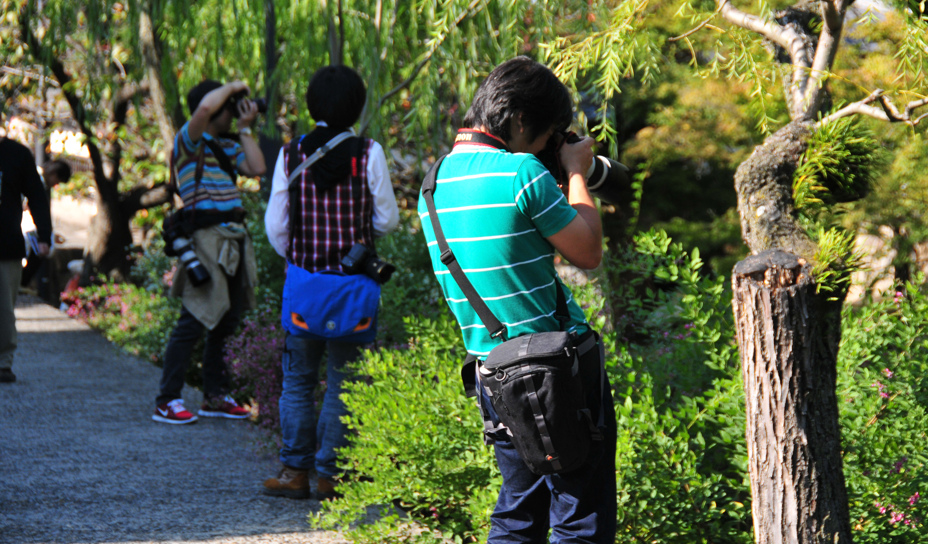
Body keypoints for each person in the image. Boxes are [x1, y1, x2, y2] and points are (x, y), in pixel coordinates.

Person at [416, 57, 616, 543]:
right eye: (551, 134)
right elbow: (588, 252)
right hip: (559, 372)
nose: (551, 145)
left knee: (518, 512)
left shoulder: (432, 185)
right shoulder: (523, 172)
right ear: (523, 121)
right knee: (579, 517)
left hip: (493, 372)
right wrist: (575, 174)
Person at [262, 64, 399, 499]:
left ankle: (294, 473)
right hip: (353, 291)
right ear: (356, 105)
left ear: (312, 104)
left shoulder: (290, 154)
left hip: (305, 288)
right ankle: (331, 477)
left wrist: (301, 259)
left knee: (298, 382)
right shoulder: (368, 152)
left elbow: (276, 228)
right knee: (344, 383)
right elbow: (388, 220)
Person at [151, 80, 267, 424]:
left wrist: (245, 128)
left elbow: (257, 168)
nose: (234, 111)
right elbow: (202, 110)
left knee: (226, 319)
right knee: (195, 317)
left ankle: (215, 396)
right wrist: (233, 86)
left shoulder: (225, 146)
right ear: (215, 106)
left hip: (233, 237)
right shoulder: (189, 139)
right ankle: (167, 399)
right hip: (205, 238)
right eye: (231, 106)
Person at [0, 133, 53, 384]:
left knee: (3, 310)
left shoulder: (17, 154)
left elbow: (37, 195)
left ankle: (2, 363)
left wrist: (44, 235)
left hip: (5, 245)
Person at [21, 159, 72, 293]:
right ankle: (21, 282)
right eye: (58, 181)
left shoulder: (37, 177)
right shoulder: (36, 178)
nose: (55, 185)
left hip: (24, 224)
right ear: (53, 173)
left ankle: (22, 282)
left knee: (38, 250)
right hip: (20, 223)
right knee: (39, 250)